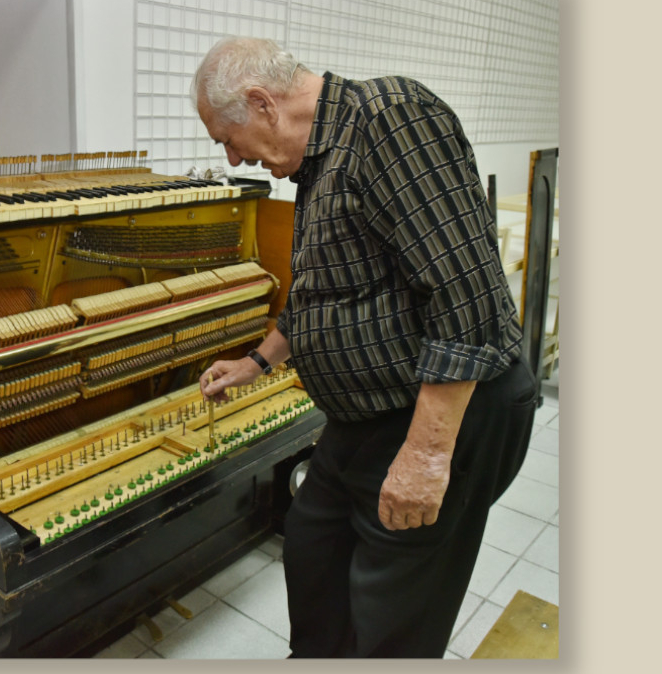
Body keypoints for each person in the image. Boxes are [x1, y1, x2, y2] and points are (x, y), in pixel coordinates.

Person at [193, 37, 539, 658]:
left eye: (226, 137)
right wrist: (255, 363)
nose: (234, 158)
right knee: (311, 542)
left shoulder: (390, 120)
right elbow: (322, 293)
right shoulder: (320, 163)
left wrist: (425, 459)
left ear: (261, 102)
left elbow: (468, 304)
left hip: (445, 412)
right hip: (368, 415)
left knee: (394, 610)